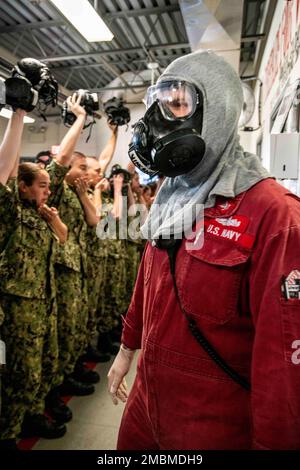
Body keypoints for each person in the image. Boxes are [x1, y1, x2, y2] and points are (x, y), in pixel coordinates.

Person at [108, 50, 300, 450]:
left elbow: (282, 365)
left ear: (218, 112)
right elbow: (150, 275)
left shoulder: (274, 215)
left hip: (216, 424)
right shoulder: (172, 195)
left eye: (177, 105)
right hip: (146, 407)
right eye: (155, 107)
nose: (158, 122)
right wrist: (128, 347)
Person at [0, 110, 68, 450]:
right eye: (41, 185)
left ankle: (31, 415)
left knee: (42, 366)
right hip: (18, 309)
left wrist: (52, 218)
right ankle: (9, 433)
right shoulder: (11, 212)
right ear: (22, 187)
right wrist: (18, 114)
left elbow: (64, 238)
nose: (48, 191)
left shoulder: (41, 215)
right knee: (18, 374)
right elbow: (4, 173)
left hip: (46, 303)